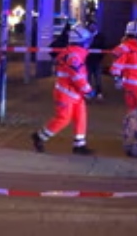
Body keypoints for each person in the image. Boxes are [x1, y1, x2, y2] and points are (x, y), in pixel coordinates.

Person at [32, 24, 95, 155]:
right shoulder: (74, 56)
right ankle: (40, 136)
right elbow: (77, 76)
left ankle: (79, 144)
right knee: (63, 118)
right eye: (87, 41)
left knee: (81, 117)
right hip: (66, 93)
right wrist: (88, 90)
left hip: (72, 92)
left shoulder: (72, 53)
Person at [86, 20, 107, 100]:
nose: (92, 28)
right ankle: (88, 92)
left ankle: (99, 92)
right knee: (88, 77)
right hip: (88, 60)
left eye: (93, 26)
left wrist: (100, 57)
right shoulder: (86, 36)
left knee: (98, 77)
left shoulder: (100, 36)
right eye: (90, 26)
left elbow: (103, 47)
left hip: (97, 60)